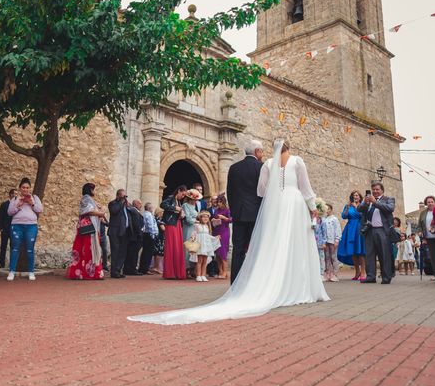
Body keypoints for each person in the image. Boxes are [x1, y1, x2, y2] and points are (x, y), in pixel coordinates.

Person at [128, 139, 329, 325]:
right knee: (291, 245)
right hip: (292, 206)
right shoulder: (293, 162)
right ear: (288, 148)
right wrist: (312, 206)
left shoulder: (262, 165)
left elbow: (258, 190)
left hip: (254, 211)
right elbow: (305, 187)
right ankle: (294, 285)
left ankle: (242, 284)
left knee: (255, 247)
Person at [226, 139, 264, 283]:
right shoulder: (261, 167)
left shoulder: (234, 168)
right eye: (262, 151)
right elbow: (263, 193)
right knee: (255, 249)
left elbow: (230, 191)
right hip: (255, 215)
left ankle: (235, 283)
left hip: (238, 214)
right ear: (257, 152)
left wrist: (234, 210)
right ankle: (253, 283)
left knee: (238, 250)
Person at [358, 182, 395, 284]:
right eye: (373, 189)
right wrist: (365, 203)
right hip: (369, 230)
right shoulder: (368, 200)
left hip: (382, 230)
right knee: (369, 254)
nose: (375, 191)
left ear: (382, 190)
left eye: (377, 189)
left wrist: (375, 202)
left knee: (384, 254)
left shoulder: (388, 199)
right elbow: (359, 209)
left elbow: (390, 208)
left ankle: (386, 277)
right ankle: (370, 276)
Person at [67, 183, 105, 280]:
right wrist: (100, 213)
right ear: (90, 190)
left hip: (87, 227)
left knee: (85, 249)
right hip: (89, 228)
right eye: (93, 189)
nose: (94, 191)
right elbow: (88, 211)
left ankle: (82, 272)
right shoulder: (87, 198)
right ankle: (90, 273)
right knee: (89, 250)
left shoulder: (88, 199)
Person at [7, 178, 43, 281]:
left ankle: (31, 272)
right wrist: (19, 204)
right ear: (20, 188)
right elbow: (9, 212)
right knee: (15, 248)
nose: (25, 189)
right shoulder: (15, 198)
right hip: (17, 225)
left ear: (30, 188)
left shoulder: (35, 197)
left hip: (31, 226)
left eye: (27, 188)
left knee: (30, 249)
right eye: (23, 187)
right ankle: (12, 271)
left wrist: (31, 203)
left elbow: (40, 210)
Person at [160, 185, 188, 280]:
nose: (183, 196)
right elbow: (162, 205)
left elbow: (178, 213)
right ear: (179, 191)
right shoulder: (171, 198)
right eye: (183, 194)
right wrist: (175, 208)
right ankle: (170, 273)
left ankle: (177, 272)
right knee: (171, 247)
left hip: (178, 224)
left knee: (177, 248)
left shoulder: (179, 202)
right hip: (171, 225)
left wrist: (181, 215)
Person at [337, 190, 366, 281]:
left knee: (360, 251)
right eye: (354, 195)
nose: (355, 197)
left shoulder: (362, 205)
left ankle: (363, 272)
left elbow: (363, 216)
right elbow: (344, 216)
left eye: (357, 195)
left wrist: (357, 207)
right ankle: (357, 272)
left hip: (359, 227)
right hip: (350, 228)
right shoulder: (348, 205)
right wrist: (348, 207)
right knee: (353, 251)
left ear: (360, 197)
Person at [189, 211, 220, 282]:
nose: (206, 218)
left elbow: (208, 236)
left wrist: (215, 237)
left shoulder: (207, 226)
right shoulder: (197, 225)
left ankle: (203, 275)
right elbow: (194, 233)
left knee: (205, 261)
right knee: (199, 260)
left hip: (206, 244)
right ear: (200, 218)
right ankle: (198, 275)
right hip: (200, 244)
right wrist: (193, 238)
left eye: (207, 217)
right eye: (204, 217)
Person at [108, 189, 130, 279]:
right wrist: (121, 202)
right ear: (118, 195)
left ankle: (118, 270)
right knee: (115, 251)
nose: (125, 198)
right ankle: (113, 272)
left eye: (125, 196)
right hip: (115, 231)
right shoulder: (113, 203)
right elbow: (114, 211)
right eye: (123, 196)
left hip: (124, 231)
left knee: (122, 252)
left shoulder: (125, 205)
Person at [416, 195, 435, 281]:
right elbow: (419, 226)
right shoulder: (423, 213)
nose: (430, 203)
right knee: (433, 257)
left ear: (434, 202)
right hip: (428, 237)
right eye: (428, 202)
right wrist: (421, 233)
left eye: (432, 202)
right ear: (426, 203)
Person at [211, 194, 231, 279]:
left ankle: (225, 272)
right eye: (217, 202)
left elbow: (231, 220)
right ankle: (221, 271)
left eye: (220, 202)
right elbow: (213, 219)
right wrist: (213, 220)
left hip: (224, 232)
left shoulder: (227, 210)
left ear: (224, 202)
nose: (218, 204)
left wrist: (224, 218)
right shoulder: (216, 210)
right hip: (216, 232)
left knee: (223, 253)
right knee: (218, 254)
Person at [124, 199, 145, 276]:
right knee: (133, 254)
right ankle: (131, 269)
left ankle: (129, 269)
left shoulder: (134, 211)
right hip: (135, 236)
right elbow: (136, 224)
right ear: (136, 203)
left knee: (132, 253)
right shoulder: (134, 211)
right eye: (140, 203)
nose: (141, 205)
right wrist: (140, 234)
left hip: (135, 236)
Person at [182, 189, 200, 276]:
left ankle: (192, 268)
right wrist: (196, 221)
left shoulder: (194, 206)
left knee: (194, 248)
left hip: (195, 229)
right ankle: (185, 268)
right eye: (194, 199)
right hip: (188, 228)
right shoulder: (185, 205)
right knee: (187, 248)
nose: (196, 201)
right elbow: (188, 219)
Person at [0, 189, 17, 268]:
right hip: (5, 228)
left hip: (14, 228)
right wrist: (0, 227)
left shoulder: (17, 204)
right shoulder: (4, 204)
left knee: (13, 247)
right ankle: (1, 264)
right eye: (15, 194)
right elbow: (0, 216)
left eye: (16, 194)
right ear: (11, 194)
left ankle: (12, 264)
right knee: (3, 246)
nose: (16, 195)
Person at [138, 202, 159, 275]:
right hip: (149, 235)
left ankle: (143, 268)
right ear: (149, 208)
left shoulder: (144, 214)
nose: (153, 209)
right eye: (152, 208)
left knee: (145, 252)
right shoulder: (149, 215)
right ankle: (145, 268)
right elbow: (150, 226)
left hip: (146, 234)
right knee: (148, 253)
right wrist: (153, 235)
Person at [323, 204, 341, 282]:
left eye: (328, 209)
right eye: (326, 209)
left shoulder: (334, 219)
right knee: (327, 258)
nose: (327, 210)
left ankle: (335, 274)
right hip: (326, 241)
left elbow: (338, 229)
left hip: (333, 241)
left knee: (333, 257)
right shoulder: (324, 219)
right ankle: (328, 274)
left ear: (331, 209)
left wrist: (337, 239)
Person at [312, 213, 327, 279]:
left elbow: (324, 232)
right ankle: (315, 273)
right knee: (314, 258)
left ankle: (321, 273)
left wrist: (324, 242)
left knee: (321, 258)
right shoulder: (312, 220)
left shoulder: (321, 221)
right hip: (313, 242)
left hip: (320, 242)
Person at [151, 208, 166, 275]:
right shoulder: (159, 220)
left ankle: (155, 267)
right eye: (162, 212)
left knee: (156, 253)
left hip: (156, 237)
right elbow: (163, 229)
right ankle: (157, 267)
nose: (163, 214)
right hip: (160, 237)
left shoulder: (155, 218)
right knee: (158, 253)